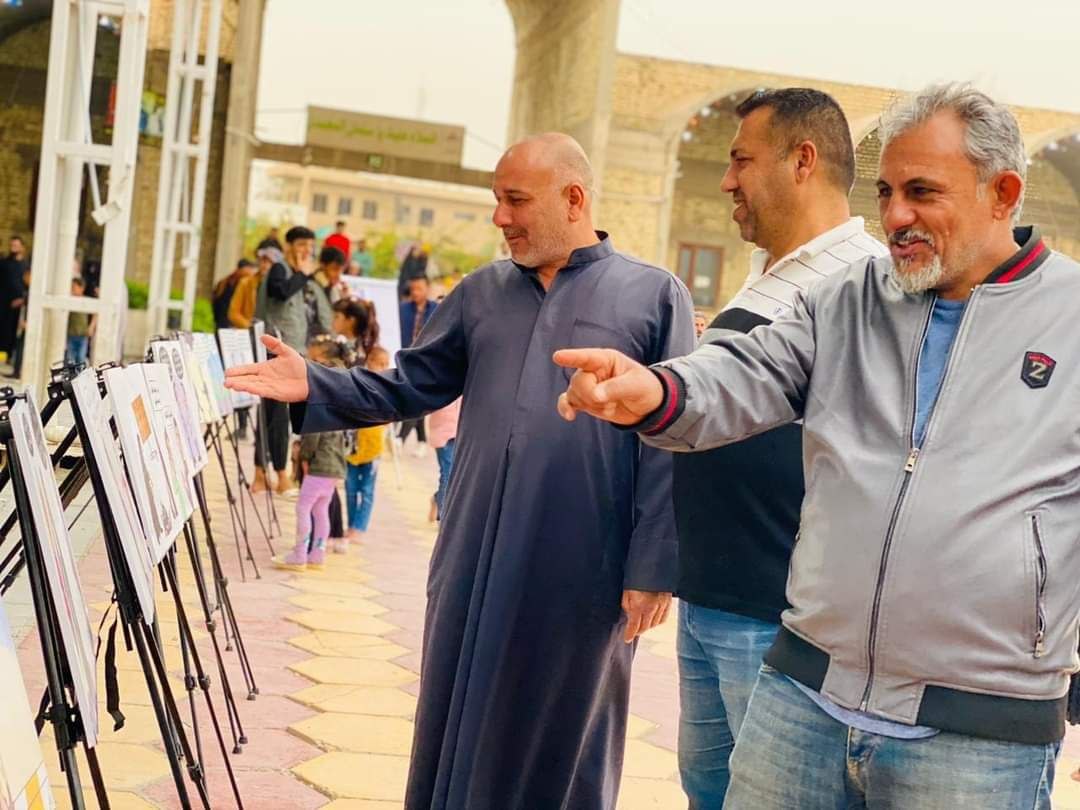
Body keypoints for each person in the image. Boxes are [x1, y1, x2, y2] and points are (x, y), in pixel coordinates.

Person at [556, 84, 1074, 809]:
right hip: (804, 698)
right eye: (887, 191)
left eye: (922, 192)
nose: (895, 216)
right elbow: (746, 372)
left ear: (1004, 193)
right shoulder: (850, 298)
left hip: (981, 734)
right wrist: (656, 390)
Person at [225, 131, 694, 809]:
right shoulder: (480, 294)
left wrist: (653, 569)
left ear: (573, 199)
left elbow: (672, 439)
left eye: (515, 200)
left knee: (569, 729)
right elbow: (409, 386)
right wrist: (316, 384)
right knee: (458, 715)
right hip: (474, 551)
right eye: (496, 200)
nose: (500, 217)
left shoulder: (654, 296)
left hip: (585, 563)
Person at [671, 89, 887, 807]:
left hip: (780, 622)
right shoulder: (766, 275)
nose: (726, 181)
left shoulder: (869, 286)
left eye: (741, 161)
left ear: (802, 161)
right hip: (710, 599)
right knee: (709, 791)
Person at [273, 335, 349, 571]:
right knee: (320, 510)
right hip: (335, 469)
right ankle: (318, 554)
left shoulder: (319, 408)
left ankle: (299, 554)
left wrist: (303, 456)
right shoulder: (342, 409)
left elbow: (312, 439)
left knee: (303, 508)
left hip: (318, 468)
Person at [252, 225, 318, 495]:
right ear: (289, 246)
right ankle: (280, 475)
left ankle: (260, 474)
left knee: (271, 414)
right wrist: (302, 274)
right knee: (278, 414)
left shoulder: (294, 273)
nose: (306, 251)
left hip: (289, 350)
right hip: (277, 350)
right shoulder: (280, 269)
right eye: (301, 245)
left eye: (310, 246)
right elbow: (280, 292)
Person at [339, 345, 391, 550]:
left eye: (386, 364)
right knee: (351, 488)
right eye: (380, 364)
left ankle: (359, 528)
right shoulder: (359, 382)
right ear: (369, 362)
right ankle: (351, 525)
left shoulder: (388, 387)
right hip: (352, 446)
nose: (384, 368)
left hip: (373, 447)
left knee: (367, 490)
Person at [397, 277, 437, 456]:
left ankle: (400, 437)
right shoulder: (403, 308)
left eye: (419, 288)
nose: (415, 293)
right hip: (405, 358)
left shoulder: (436, 309)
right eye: (412, 289)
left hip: (426, 360)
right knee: (416, 398)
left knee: (416, 398)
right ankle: (421, 441)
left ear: (427, 289)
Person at [428, 397, 461, 522]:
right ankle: (443, 521)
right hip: (444, 432)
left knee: (457, 476)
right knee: (448, 475)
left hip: (464, 433)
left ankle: (438, 498)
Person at [229, 246, 277, 329]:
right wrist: (250, 326)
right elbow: (233, 313)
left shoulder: (278, 287)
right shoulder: (245, 283)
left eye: (270, 262)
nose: (266, 265)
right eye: (263, 260)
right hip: (249, 330)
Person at [0, 236, 28, 362]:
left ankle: (11, 357)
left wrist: (22, 300)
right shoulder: (4, 263)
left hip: (19, 306)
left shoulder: (26, 266)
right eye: (12, 245)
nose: (13, 248)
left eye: (16, 246)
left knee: (14, 333)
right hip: (3, 304)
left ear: (22, 247)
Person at [331, 298, 380, 362]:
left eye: (336, 317)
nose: (332, 321)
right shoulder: (353, 348)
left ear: (351, 321)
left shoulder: (352, 353)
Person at [213, 258, 255, 329]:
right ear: (241, 269)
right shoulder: (227, 282)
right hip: (226, 320)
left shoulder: (228, 280)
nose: (250, 273)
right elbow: (216, 299)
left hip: (228, 320)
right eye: (248, 269)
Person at [65, 276, 94, 366]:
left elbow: (95, 313)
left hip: (83, 335)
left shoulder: (85, 301)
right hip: (71, 334)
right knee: (70, 359)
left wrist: (91, 326)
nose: (72, 289)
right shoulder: (70, 300)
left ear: (82, 288)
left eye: (74, 287)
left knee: (81, 359)